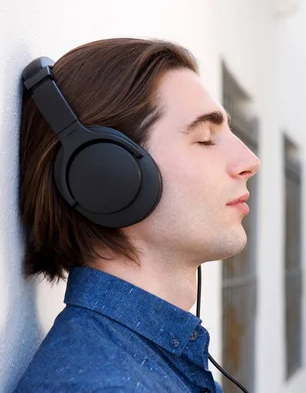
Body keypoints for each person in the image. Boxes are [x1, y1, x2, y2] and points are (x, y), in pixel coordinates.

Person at [15, 38, 260, 392]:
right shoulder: (102, 385)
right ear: (105, 174)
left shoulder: (146, 361)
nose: (250, 161)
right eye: (206, 138)